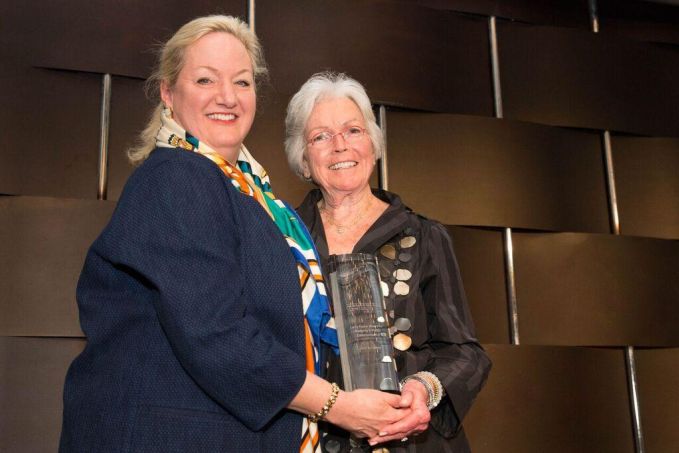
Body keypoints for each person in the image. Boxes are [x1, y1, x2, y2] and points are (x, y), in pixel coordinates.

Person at [59, 17, 420, 453]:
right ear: (168, 93)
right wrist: (339, 407)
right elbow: (217, 335)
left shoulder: (255, 198)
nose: (227, 97)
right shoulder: (178, 176)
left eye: (242, 82)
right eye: (205, 79)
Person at [284, 72, 492, 452]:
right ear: (303, 158)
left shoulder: (427, 236)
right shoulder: (280, 241)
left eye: (353, 131)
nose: (340, 147)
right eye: (321, 137)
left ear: (374, 143)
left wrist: (423, 389)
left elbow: (465, 353)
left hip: (411, 441)